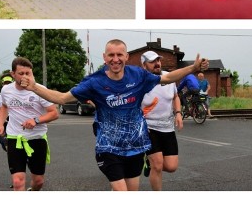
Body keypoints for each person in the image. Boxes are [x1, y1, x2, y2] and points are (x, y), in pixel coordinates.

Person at [18, 39, 209, 191]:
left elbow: (167, 78)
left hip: (135, 147)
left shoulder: (138, 76)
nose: (115, 59)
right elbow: (61, 98)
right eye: (111, 55)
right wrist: (34, 86)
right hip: (108, 148)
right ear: (104, 57)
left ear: (126, 56)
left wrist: (193, 68)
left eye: (119, 55)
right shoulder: (94, 82)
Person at [0, 57, 59, 191]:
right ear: (12, 74)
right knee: (18, 181)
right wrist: (1, 124)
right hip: (15, 138)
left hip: (37, 138)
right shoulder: (6, 90)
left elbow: (54, 113)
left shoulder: (39, 90)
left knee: (38, 181)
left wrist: (35, 120)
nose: (25, 76)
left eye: (28, 73)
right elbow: (4, 106)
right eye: (21, 73)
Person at [139, 51, 183, 191]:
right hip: (148, 127)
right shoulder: (139, 80)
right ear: (144, 65)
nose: (157, 63)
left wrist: (178, 113)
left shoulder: (168, 78)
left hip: (167, 128)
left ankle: (148, 162)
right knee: (157, 165)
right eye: (152, 61)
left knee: (171, 167)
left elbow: (175, 97)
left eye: (158, 60)